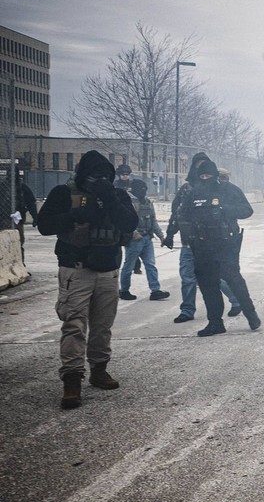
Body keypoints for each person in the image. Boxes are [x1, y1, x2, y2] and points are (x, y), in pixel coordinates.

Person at [36, 150, 138, 409]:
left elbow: (129, 223)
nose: (101, 180)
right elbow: (44, 225)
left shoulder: (117, 195)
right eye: (95, 176)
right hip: (76, 269)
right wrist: (75, 216)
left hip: (107, 271)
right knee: (74, 325)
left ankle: (99, 369)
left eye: (106, 176)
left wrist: (110, 199)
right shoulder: (64, 193)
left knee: (102, 326)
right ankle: (72, 380)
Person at [176, 155, 261, 337]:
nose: (205, 180)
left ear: (215, 175)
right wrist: (188, 237)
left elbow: (247, 210)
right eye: (202, 176)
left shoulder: (229, 190)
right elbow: (182, 215)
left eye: (208, 176)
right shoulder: (193, 193)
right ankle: (215, 322)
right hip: (202, 245)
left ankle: (250, 313)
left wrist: (225, 209)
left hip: (225, 245)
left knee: (234, 280)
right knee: (208, 285)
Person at [163, 155, 240, 323]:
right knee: (187, 277)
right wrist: (169, 234)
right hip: (189, 242)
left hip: (212, 243)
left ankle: (236, 299)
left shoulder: (219, 189)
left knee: (216, 277)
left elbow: (234, 212)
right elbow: (177, 214)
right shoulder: (187, 190)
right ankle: (187, 310)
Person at [118, 179, 167, 301]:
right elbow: (125, 220)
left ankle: (155, 290)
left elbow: (153, 220)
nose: (143, 192)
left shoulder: (148, 202)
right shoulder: (128, 201)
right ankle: (124, 290)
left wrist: (161, 236)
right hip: (135, 240)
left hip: (147, 238)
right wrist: (134, 234)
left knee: (150, 265)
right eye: (141, 189)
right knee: (129, 266)